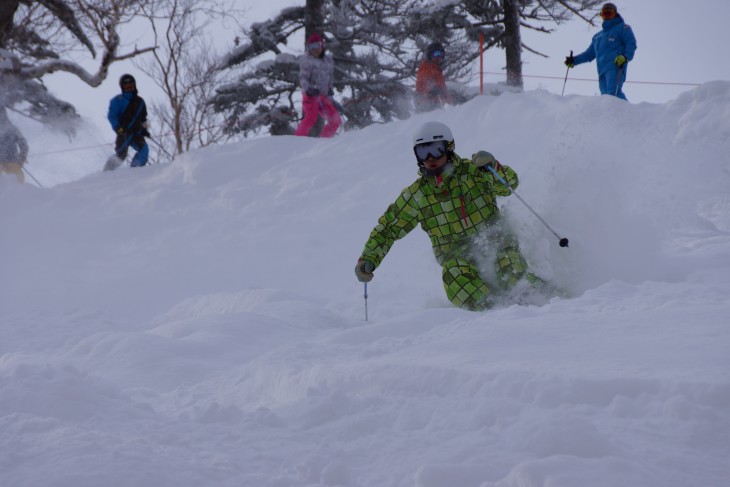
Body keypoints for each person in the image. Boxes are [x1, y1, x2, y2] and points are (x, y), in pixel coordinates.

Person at [354, 121, 550, 311]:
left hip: (497, 245)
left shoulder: (474, 171)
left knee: (510, 268)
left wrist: (493, 168)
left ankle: (545, 302)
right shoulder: (417, 195)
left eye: (436, 149)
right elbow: (388, 228)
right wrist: (368, 258)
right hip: (459, 260)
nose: (430, 157)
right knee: (454, 277)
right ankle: (495, 314)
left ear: (449, 148)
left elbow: (509, 186)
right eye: (423, 152)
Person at [564, 2, 637, 100]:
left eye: (609, 13)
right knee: (605, 98)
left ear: (615, 14)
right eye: (604, 14)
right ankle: (611, 115)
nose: (607, 16)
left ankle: (628, 114)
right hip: (601, 71)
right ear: (601, 15)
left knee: (613, 94)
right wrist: (574, 60)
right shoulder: (598, 36)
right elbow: (589, 54)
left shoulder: (622, 28)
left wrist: (625, 57)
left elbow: (631, 43)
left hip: (615, 66)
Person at [294, 33, 341, 138]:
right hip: (310, 95)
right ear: (308, 48)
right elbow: (303, 77)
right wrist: (308, 88)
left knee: (336, 120)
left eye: (317, 45)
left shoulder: (328, 60)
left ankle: (324, 141)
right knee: (311, 117)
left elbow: (330, 76)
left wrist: (330, 89)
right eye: (311, 47)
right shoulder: (307, 60)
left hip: (323, 96)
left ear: (322, 45)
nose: (315, 49)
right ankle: (297, 139)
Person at [105, 73, 150, 171]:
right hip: (124, 133)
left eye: (131, 85)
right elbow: (112, 116)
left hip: (136, 133)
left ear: (135, 85)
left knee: (144, 149)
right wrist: (118, 128)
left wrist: (144, 129)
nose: (129, 88)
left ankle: (135, 170)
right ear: (122, 87)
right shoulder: (118, 100)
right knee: (121, 156)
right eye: (126, 86)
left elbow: (143, 117)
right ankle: (106, 172)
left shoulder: (140, 101)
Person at [415, 42, 449, 112]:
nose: (438, 57)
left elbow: (442, 89)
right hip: (427, 105)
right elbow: (421, 85)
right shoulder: (426, 67)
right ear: (430, 55)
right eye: (436, 54)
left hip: (438, 103)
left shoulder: (437, 69)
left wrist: (452, 100)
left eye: (440, 54)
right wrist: (430, 90)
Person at [0, 108, 29, 184]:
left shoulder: (12, 129)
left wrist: (22, 158)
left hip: (12, 163)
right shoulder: (13, 128)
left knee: (15, 185)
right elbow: (24, 145)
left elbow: (24, 145)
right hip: (11, 163)